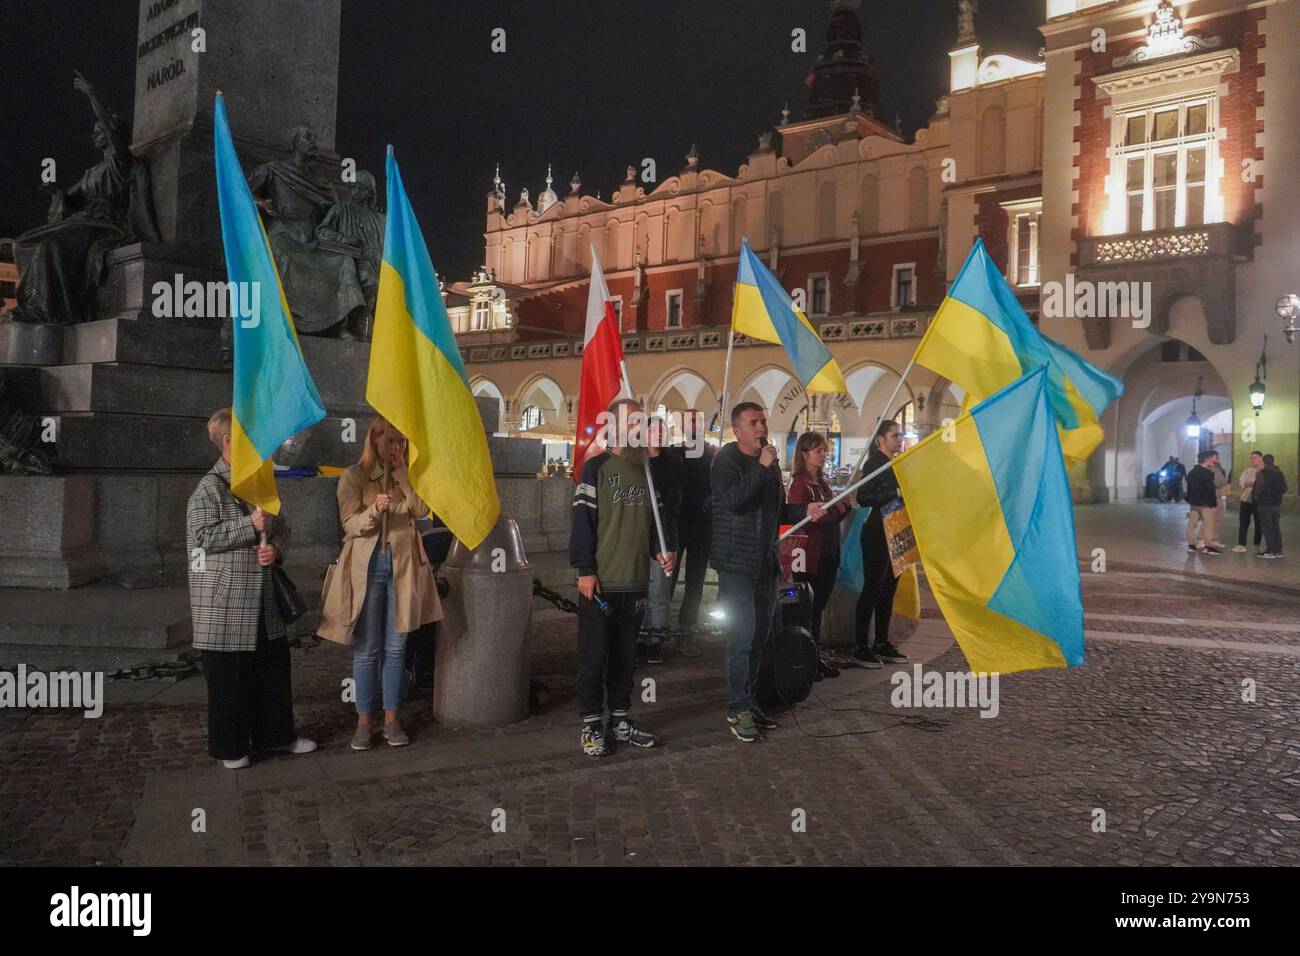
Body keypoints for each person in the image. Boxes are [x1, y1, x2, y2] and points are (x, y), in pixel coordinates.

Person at [186, 408, 316, 769]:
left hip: (262, 598)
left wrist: (276, 550)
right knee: (229, 678)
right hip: (226, 601)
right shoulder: (209, 487)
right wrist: (247, 525)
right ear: (228, 441)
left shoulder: (258, 482)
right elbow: (200, 538)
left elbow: (282, 529)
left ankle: (277, 736)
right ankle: (231, 747)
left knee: (272, 670)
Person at [317, 417, 443, 750]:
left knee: (397, 647)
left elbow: (422, 509)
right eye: (391, 441)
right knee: (367, 649)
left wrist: (403, 475)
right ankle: (363, 721)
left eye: (402, 442)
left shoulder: (409, 475)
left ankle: (392, 718)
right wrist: (374, 510)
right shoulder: (353, 476)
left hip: (402, 568)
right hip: (368, 567)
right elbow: (351, 525)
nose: (397, 448)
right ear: (374, 441)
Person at [710, 402, 826, 742]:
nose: (761, 428)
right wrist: (762, 467)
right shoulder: (725, 462)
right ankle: (737, 707)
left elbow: (774, 511)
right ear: (738, 430)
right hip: (736, 562)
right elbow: (733, 501)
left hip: (765, 561)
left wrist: (805, 509)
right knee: (742, 636)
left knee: (761, 634)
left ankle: (751, 700)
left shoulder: (770, 465)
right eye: (753, 423)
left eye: (763, 421)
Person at [570, 398, 672, 757]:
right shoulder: (596, 468)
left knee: (626, 658)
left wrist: (661, 550)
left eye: (642, 423)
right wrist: (585, 568)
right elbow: (582, 522)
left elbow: (654, 523)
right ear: (612, 426)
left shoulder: (646, 469)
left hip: (635, 581)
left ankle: (621, 719)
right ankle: (591, 725)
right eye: (633, 422)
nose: (639, 429)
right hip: (601, 583)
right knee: (594, 656)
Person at [787, 431, 850, 678]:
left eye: (825, 450)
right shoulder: (800, 484)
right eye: (818, 451)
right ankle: (804, 658)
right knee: (808, 608)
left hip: (829, 551)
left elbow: (830, 515)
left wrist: (841, 509)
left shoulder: (822, 483)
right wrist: (834, 511)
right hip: (811, 554)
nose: (824, 455)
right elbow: (804, 521)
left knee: (819, 607)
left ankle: (813, 656)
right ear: (804, 454)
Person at [850, 419, 911, 668]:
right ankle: (860, 646)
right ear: (881, 439)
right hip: (877, 532)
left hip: (895, 531)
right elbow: (863, 497)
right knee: (873, 589)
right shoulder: (875, 463)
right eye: (895, 436)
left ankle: (881, 642)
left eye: (900, 435)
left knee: (888, 590)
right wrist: (894, 493)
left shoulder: (895, 462)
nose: (899, 439)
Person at [670, 408, 715, 655]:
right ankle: (658, 628)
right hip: (678, 522)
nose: (694, 425)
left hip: (702, 524)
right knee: (669, 579)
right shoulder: (675, 452)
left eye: (698, 421)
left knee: (695, 582)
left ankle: (687, 629)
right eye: (690, 422)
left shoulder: (712, 452)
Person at [639, 415, 682, 664]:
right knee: (640, 589)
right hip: (638, 534)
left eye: (661, 431)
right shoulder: (637, 462)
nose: (658, 434)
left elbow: (673, 505)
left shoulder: (674, 462)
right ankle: (639, 637)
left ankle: (655, 639)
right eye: (653, 430)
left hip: (663, 532)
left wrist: (671, 543)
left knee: (659, 589)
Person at [1185, 450, 1221, 555]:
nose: (1212, 462)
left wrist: (1190, 499)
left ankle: (1191, 545)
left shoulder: (1191, 472)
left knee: (1192, 524)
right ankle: (1208, 547)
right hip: (1205, 504)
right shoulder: (1208, 473)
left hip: (1194, 503)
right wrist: (1213, 503)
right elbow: (1210, 490)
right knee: (1209, 524)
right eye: (1211, 459)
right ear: (1207, 459)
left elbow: (1189, 488)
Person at [1253, 454, 1287, 559]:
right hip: (1276, 504)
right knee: (1276, 527)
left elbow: (1258, 488)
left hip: (1264, 504)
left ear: (1263, 461)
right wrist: (1277, 496)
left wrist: (1257, 498)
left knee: (1267, 528)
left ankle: (1270, 550)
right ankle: (1278, 550)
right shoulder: (1279, 473)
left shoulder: (1263, 473)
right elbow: (1284, 488)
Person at [1234, 451, 1264, 553]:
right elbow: (1242, 482)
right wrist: (1249, 484)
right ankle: (1241, 544)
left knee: (1259, 523)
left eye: (1254, 458)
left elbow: (1263, 485)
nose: (1252, 460)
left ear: (1260, 458)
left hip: (1259, 501)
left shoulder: (1264, 471)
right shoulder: (1247, 471)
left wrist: (1253, 484)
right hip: (1246, 500)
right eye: (1251, 458)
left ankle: (1257, 542)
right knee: (1243, 522)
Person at [1211, 456, 1230, 550]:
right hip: (1213, 497)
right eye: (1216, 457)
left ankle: (1214, 540)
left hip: (1218, 496)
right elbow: (1221, 482)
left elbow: (1224, 481)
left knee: (1218, 519)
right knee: (1213, 520)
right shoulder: (1212, 469)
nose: (1218, 459)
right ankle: (1209, 540)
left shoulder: (1218, 469)